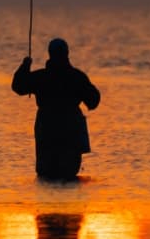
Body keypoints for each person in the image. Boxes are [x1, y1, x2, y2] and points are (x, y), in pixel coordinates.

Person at [11, 37, 100, 180]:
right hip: (70, 128)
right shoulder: (77, 77)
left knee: (46, 173)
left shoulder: (41, 77)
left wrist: (25, 65)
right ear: (67, 53)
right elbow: (94, 101)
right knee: (69, 172)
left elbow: (18, 86)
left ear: (50, 54)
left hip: (47, 127)